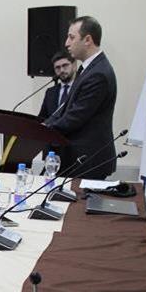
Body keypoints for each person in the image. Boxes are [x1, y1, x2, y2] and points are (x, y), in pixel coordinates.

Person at [44, 16, 117, 179]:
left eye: (71, 37)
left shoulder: (98, 73)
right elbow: (65, 107)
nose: (66, 43)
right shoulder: (88, 69)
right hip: (78, 158)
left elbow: (75, 116)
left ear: (87, 40)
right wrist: (45, 124)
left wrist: (44, 130)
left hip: (88, 160)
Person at [39, 51, 77, 120]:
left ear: (74, 65)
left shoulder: (82, 87)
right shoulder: (50, 92)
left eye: (65, 65)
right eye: (57, 67)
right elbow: (42, 118)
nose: (61, 70)